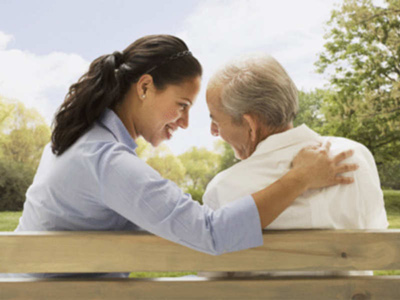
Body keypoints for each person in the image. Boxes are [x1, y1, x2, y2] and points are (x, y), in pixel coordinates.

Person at [8, 35, 357, 278]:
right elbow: (211, 232)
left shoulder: (79, 138)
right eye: (182, 105)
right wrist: (300, 178)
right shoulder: (107, 161)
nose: (186, 122)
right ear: (144, 87)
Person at [202, 54, 388, 276]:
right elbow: (376, 241)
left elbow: (213, 281)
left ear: (250, 124)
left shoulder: (223, 189)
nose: (214, 131)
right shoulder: (355, 157)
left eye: (216, 120)